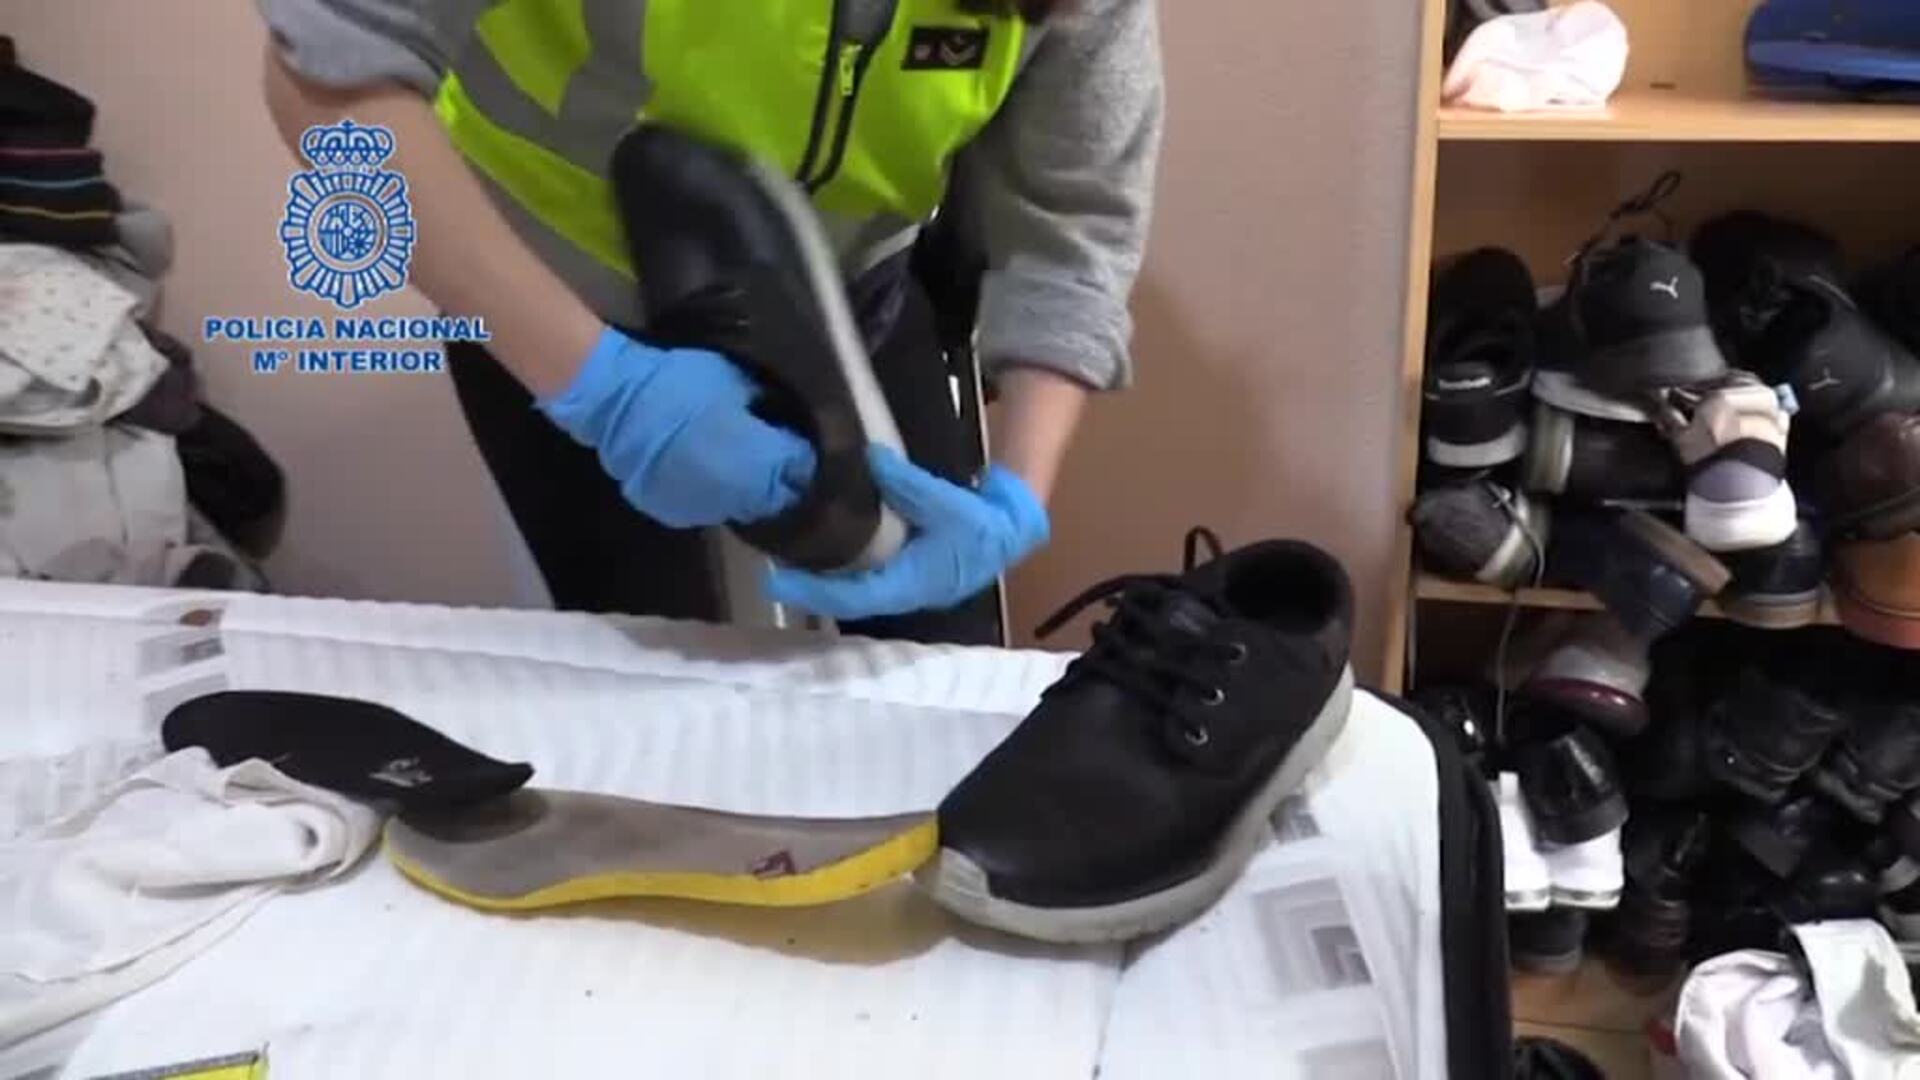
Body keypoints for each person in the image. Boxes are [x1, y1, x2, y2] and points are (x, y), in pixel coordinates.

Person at [256, 0, 1162, 644]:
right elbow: (324, 73)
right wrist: (605, 391)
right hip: (563, 311)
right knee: (659, 701)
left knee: (930, 677)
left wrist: (1017, 497)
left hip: (854, 302)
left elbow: (1074, 219)